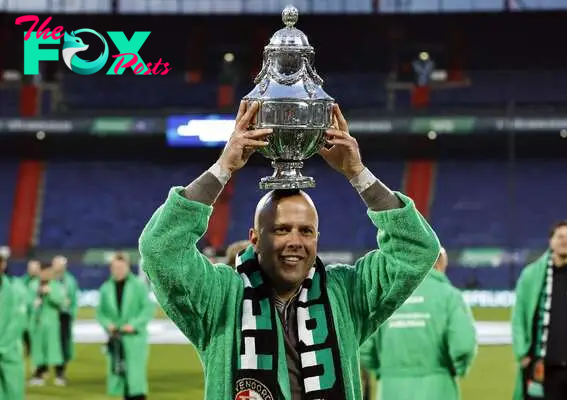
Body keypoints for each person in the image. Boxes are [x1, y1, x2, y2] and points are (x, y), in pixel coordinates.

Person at [138, 101, 441, 400]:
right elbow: (160, 249)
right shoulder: (220, 298)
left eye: (306, 231)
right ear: (255, 238)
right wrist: (222, 168)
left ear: (317, 238)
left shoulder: (346, 296)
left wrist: (358, 174)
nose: (295, 241)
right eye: (282, 229)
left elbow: (416, 248)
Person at [360, 247, 478, 400]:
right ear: (439, 264)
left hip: (391, 390)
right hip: (437, 389)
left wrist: (385, 370)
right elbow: (463, 346)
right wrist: (458, 368)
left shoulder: (386, 295)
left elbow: (364, 347)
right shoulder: (449, 296)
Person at [512, 220, 567, 400]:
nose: (565, 241)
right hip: (543, 368)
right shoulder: (531, 275)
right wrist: (522, 353)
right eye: (560, 236)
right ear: (551, 241)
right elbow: (518, 316)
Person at [96, 252, 154, 400]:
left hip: (134, 339)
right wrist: (107, 324)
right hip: (116, 338)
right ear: (111, 268)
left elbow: (147, 309)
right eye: (115, 267)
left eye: (122, 267)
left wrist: (133, 325)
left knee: (135, 377)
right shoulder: (105, 288)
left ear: (128, 267)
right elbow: (101, 312)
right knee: (120, 375)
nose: (119, 271)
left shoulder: (139, 286)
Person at [28, 262, 64, 386]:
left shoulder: (56, 286)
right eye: (44, 272)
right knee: (38, 350)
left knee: (54, 349)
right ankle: (39, 374)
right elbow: (28, 301)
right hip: (38, 322)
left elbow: (60, 302)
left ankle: (60, 375)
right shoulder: (33, 285)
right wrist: (34, 304)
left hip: (52, 322)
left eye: (49, 272)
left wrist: (50, 294)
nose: (46, 274)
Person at [0, 251, 26, 399]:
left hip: (10, 350)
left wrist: (2, 346)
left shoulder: (16, 289)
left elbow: (18, 322)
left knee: (13, 392)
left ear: (3, 265)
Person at [52, 255, 79, 382]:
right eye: (55, 264)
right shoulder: (49, 278)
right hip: (51, 316)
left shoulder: (70, 280)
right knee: (47, 344)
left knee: (63, 343)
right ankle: (41, 371)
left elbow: (73, 300)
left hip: (64, 316)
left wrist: (71, 314)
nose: (56, 266)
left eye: (58, 264)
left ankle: (60, 372)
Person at [20, 259, 40, 356]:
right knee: (24, 330)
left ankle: (35, 348)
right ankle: (28, 347)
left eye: (34, 268)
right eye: (31, 268)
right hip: (25, 311)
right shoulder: (23, 280)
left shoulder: (43, 281)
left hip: (38, 311)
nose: (32, 270)